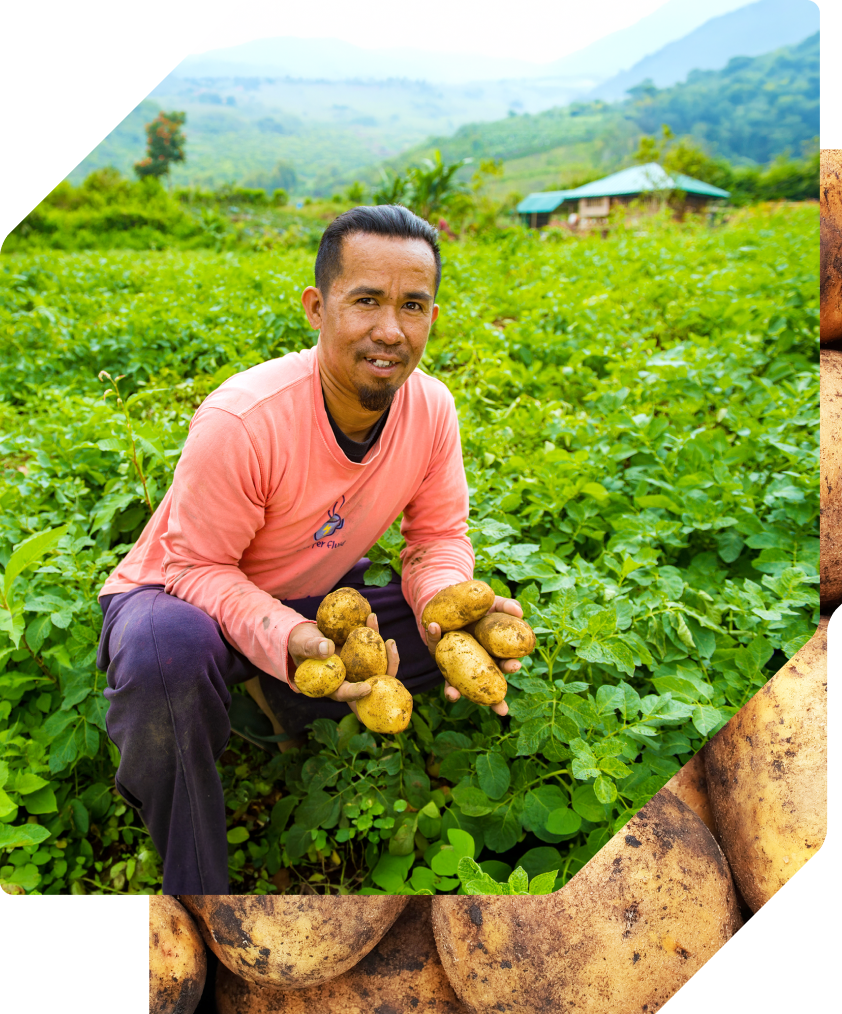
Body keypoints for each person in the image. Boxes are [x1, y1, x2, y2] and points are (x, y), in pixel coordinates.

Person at [95, 205, 526, 894]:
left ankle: (287, 698)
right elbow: (195, 566)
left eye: (412, 305)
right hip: (179, 598)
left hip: (312, 602)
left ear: (432, 318)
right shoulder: (243, 420)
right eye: (365, 301)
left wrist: (448, 606)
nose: (390, 330)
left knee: (473, 635)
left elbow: (437, 537)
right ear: (317, 307)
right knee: (164, 658)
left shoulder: (432, 409)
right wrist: (289, 635)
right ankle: (200, 897)